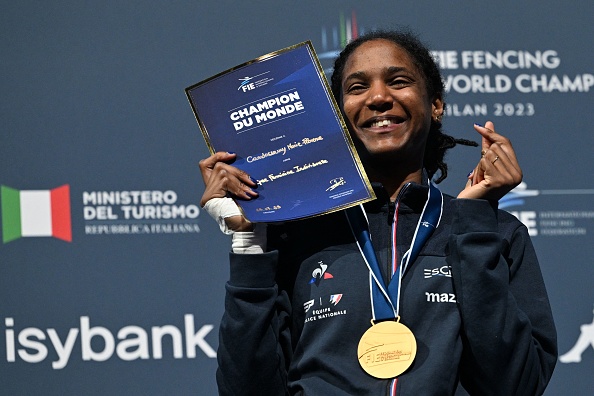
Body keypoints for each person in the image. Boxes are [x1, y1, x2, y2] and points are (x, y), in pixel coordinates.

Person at [199, 29, 557, 395]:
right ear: (338, 115)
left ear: (436, 105)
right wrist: (248, 243)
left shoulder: (493, 231)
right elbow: (246, 389)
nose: (379, 97)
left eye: (398, 81)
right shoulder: (292, 236)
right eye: (357, 88)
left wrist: (475, 222)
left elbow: (516, 385)